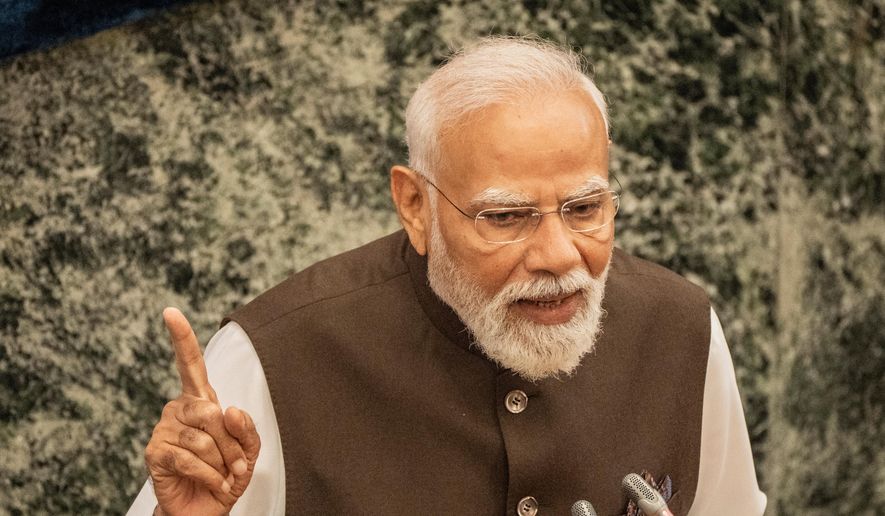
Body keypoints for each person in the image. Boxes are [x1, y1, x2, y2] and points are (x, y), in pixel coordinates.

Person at [128, 36, 766, 515]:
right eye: (506, 216)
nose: (560, 256)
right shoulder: (272, 360)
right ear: (415, 206)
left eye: (585, 208)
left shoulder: (681, 330)